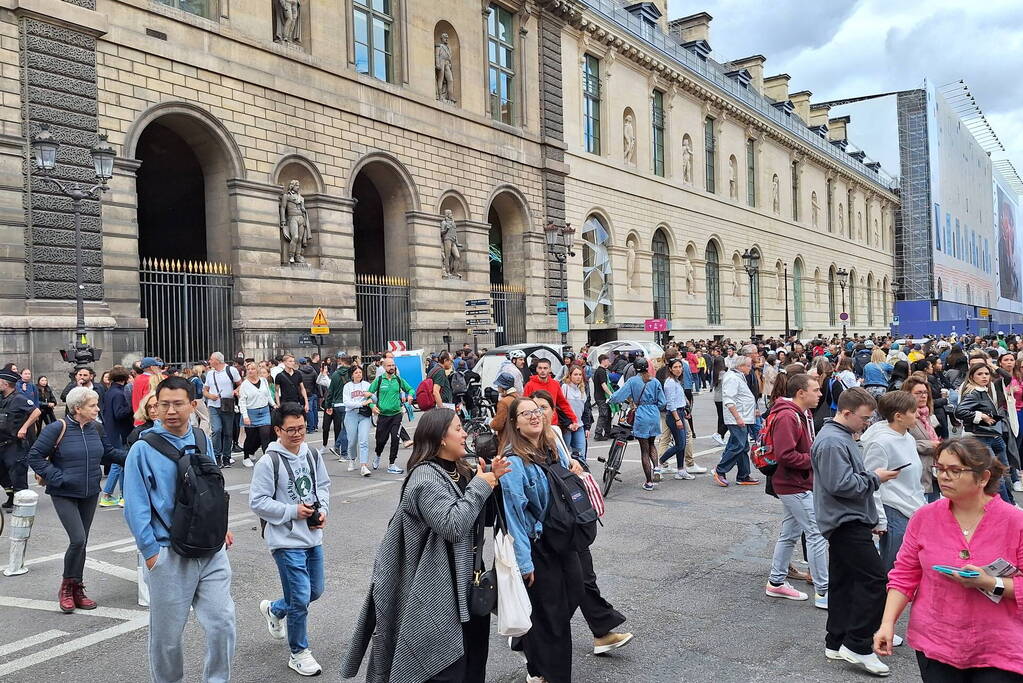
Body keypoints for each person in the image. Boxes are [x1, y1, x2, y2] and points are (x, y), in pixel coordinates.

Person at [341, 408, 509, 683]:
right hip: (436, 589)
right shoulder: (425, 479)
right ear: (441, 437)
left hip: (468, 585)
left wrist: (493, 482)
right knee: (443, 668)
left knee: (474, 664)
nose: (465, 432)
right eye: (458, 428)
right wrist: (481, 486)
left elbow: (483, 521)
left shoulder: (462, 470)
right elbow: (453, 526)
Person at [874, 437, 1023, 681]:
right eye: (940, 469)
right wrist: (887, 623)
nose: (944, 476)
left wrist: (989, 583)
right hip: (937, 641)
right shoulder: (924, 518)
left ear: (983, 478)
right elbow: (904, 576)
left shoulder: (1015, 522)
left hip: (999, 645)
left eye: (955, 470)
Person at [123, 376, 236, 683]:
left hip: (211, 549)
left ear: (193, 405)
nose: (171, 410)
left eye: (178, 404)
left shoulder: (201, 438)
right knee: (167, 638)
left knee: (222, 623)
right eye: (164, 404)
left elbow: (214, 487)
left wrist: (220, 526)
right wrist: (151, 553)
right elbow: (135, 505)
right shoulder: (142, 450)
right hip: (168, 553)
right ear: (155, 408)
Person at [812, 387, 901, 676]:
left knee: (845, 582)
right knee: (875, 580)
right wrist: (875, 478)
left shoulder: (839, 437)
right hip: (845, 521)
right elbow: (842, 485)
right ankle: (858, 644)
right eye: (864, 418)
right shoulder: (833, 442)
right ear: (846, 413)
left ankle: (837, 641)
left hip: (846, 519)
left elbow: (845, 482)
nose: (867, 423)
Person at [498, 397, 583, 682]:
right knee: (554, 616)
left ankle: (529, 640)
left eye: (537, 411)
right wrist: (524, 562)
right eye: (525, 414)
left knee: (575, 592)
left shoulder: (553, 444)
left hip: (565, 537)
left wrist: (576, 468)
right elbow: (514, 515)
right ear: (515, 423)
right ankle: (548, 674)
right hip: (538, 545)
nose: (534, 417)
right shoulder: (513, 460)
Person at [27, 386, 125, 612]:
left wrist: (137, 453)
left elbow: (109, 453)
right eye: (92, 405)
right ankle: (66, 587)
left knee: (83, 543)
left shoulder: (97, 429)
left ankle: (77, 588)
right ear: (77, 408)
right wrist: (57, 477)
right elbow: (34, 456)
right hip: (64, 492)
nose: (97, 408)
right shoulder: (56, 428)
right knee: (78, 539)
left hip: (90, 492)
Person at [250, 402, 330, 677]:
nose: (297, 434)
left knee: (313, 591)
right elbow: (258, 502)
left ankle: (274, 609)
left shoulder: (311, 454)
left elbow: (323, 486)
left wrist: (323, 511)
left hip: (312, 535)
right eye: (291, 429)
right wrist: (291, 511)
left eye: (301, 428)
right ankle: (298, 653)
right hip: (284, 541)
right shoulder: (268, 462)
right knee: (300, 598)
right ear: (277, 430)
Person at [765, 373, 829, 608]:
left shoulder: (799, 413)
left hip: (796, 482)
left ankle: (776, 580)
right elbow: (785, 455)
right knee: (816, 534)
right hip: (794, 484)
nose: (820, 394)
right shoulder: (788, 416)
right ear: (801, 393)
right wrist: (815, 459)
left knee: (791, 533)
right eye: (816, 390)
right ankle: (824, 592)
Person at [861, 391, 926, 573]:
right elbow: (871, 483)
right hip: (893, 511)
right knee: (893, 566)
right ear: (898, 416)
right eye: (913, 412)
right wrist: (880, 519)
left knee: (907, 564)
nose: (918, 415)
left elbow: (914, 479)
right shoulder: (880, 442)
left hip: (912, 508)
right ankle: (883, 600)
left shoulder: (909, 437)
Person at [954, 362, 1014, 503]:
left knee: (1004, 473)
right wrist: (981, 416)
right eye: (980, 374)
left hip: (993, 435)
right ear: (972, 377)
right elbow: (960, 411)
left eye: (986, 374)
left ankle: (1009, 504)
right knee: (996, 476)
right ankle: (1005, 506)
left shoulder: (984, 390)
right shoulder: (974, 393)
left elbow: (1007, 377)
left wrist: (992, 366)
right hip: (981, 437)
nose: (984, 376)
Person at [610, 359, 666, 491]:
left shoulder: (633, 381)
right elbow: (663, 402)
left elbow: (619, 396)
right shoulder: (655, 381)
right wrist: (654, 407)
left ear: (634, 369)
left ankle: (649, 482)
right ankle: (657, 468)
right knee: (652, 444)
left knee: (644, 450)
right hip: (654, 414)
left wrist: (611, 398)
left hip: (641, 413)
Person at [713, 355, 760, 487]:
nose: (750, 368)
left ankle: (743, 475)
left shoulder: (737, 376)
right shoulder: (732, 378)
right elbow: (729, 399)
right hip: (737, 417)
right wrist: (738, 417)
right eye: (748, 366)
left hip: (743, 416)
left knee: (743, 446)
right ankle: (720, 470)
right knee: (738, 445)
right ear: (740, 366)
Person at [0, 367, 41, 511]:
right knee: (2, 474)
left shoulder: (19, 398)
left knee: (17, 473)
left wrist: (24, 427)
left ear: (5, 384)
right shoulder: (1, 398)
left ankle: (21, 503)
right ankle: (11, 497)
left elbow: (36, 412)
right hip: (1, 443)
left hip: (14, 444)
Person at [368, 356, 413, 474]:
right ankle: (378, 455)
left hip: (396, 414)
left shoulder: (398, 380)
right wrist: (372, 407)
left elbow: (411, 389)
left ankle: (392, 464)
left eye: (393, 365)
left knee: (395, 438)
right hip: (383, 415)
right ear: (384, 367)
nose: (392, 367)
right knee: (381, 441)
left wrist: (410, 395)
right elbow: (368, 394)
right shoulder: (379, 380)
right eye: (389, 365)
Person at [903, 375, 943, 504]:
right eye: (918, 393)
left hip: (934, 473)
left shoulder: (927, 415)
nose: (923, 396)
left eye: (925, 392)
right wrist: (929, 445)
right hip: (918, 476)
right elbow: (900, 443)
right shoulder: (905, 417)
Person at [98, 367, 134, 508]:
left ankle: (114, 494)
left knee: (118, 464)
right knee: (120, 463)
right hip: (120, 432)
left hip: (112, 431)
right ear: (124, 379)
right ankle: (116, 495)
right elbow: (119, 413)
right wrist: (131, 407)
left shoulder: (109, 392)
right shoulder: (119, 393)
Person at [204, 351, 242, 468]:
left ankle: (226, 456)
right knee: (217, 429)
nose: (210, 361)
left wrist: (236, 391)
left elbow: (240, 384)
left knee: (227, 432)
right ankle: (216, 455)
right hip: (213, 405)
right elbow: (205, 390)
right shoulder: (210, 374)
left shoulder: (231, 370)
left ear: (217, 360)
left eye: (211, 359)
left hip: (227, 404)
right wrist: (211, 396)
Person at [657, 358, 692, 480]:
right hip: (674, 415)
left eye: (680, 367)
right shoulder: (670, 382)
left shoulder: (676, 381)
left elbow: (679, 399)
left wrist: (686, 411)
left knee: (680, 443)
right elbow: (670, 403)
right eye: (675, 367)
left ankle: (681, 470)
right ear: (670, 369)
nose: (678, 369)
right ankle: (660, 462)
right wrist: (677, 419)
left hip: (680, 412)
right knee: (681, 444)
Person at [524, 359, 579, 431]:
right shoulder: (529, 385)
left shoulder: (555, 384)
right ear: (536, 369)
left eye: (545, 368)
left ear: (550, 369)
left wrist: (574, 419)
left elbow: (563, 403)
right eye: (540, 368)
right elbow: (524, 405)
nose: (542, 370)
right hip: (536, 424)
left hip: (552, 424)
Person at [239, 361, 276, 467]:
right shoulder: (244, 385)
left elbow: (268, 395)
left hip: (264, 412)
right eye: (248, 369)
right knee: (251, 437)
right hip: (251, 412)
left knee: (265, 435)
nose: (250, 371)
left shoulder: (263, 381)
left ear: (257, 370)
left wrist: (273, 405)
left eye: (253, 369)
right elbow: (242, 402)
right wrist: (245, 416)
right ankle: (246, 456)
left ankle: (266, 457)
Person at [343, 365, 373, 476]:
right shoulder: (347, 386)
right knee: (352, 441)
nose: (358, 374)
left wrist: (370, 396)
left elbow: (374, 398)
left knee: (363, 440)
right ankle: (352, 459)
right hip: (351, 415)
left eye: (360, 372)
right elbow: (346, 402)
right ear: (352, 375)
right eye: (356, 372)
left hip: (364, 415)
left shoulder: (367, 385)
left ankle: (364, 466)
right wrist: (361, 403)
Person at [561, 365, 592, 461]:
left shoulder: (582, 390)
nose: (578, 377)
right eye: (575, 374)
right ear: (569, 375)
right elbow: (560, 408)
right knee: (565, 453)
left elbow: (586, 410)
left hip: (579, 425)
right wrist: (568, 424)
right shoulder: (565, 387)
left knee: (580, 452)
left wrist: (587, 427)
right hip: (567, 426)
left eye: (580, 375)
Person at [592, 354, 613, 441]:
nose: (609, 362)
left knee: (607, 414)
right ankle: (598, 433)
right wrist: (611, 394)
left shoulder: (599, 371)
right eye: (608, 360)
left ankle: (607, 432)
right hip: (601, 397)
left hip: (599, 396)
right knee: (603, 415)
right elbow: (603, 384)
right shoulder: (601, 371)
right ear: (603, 361)